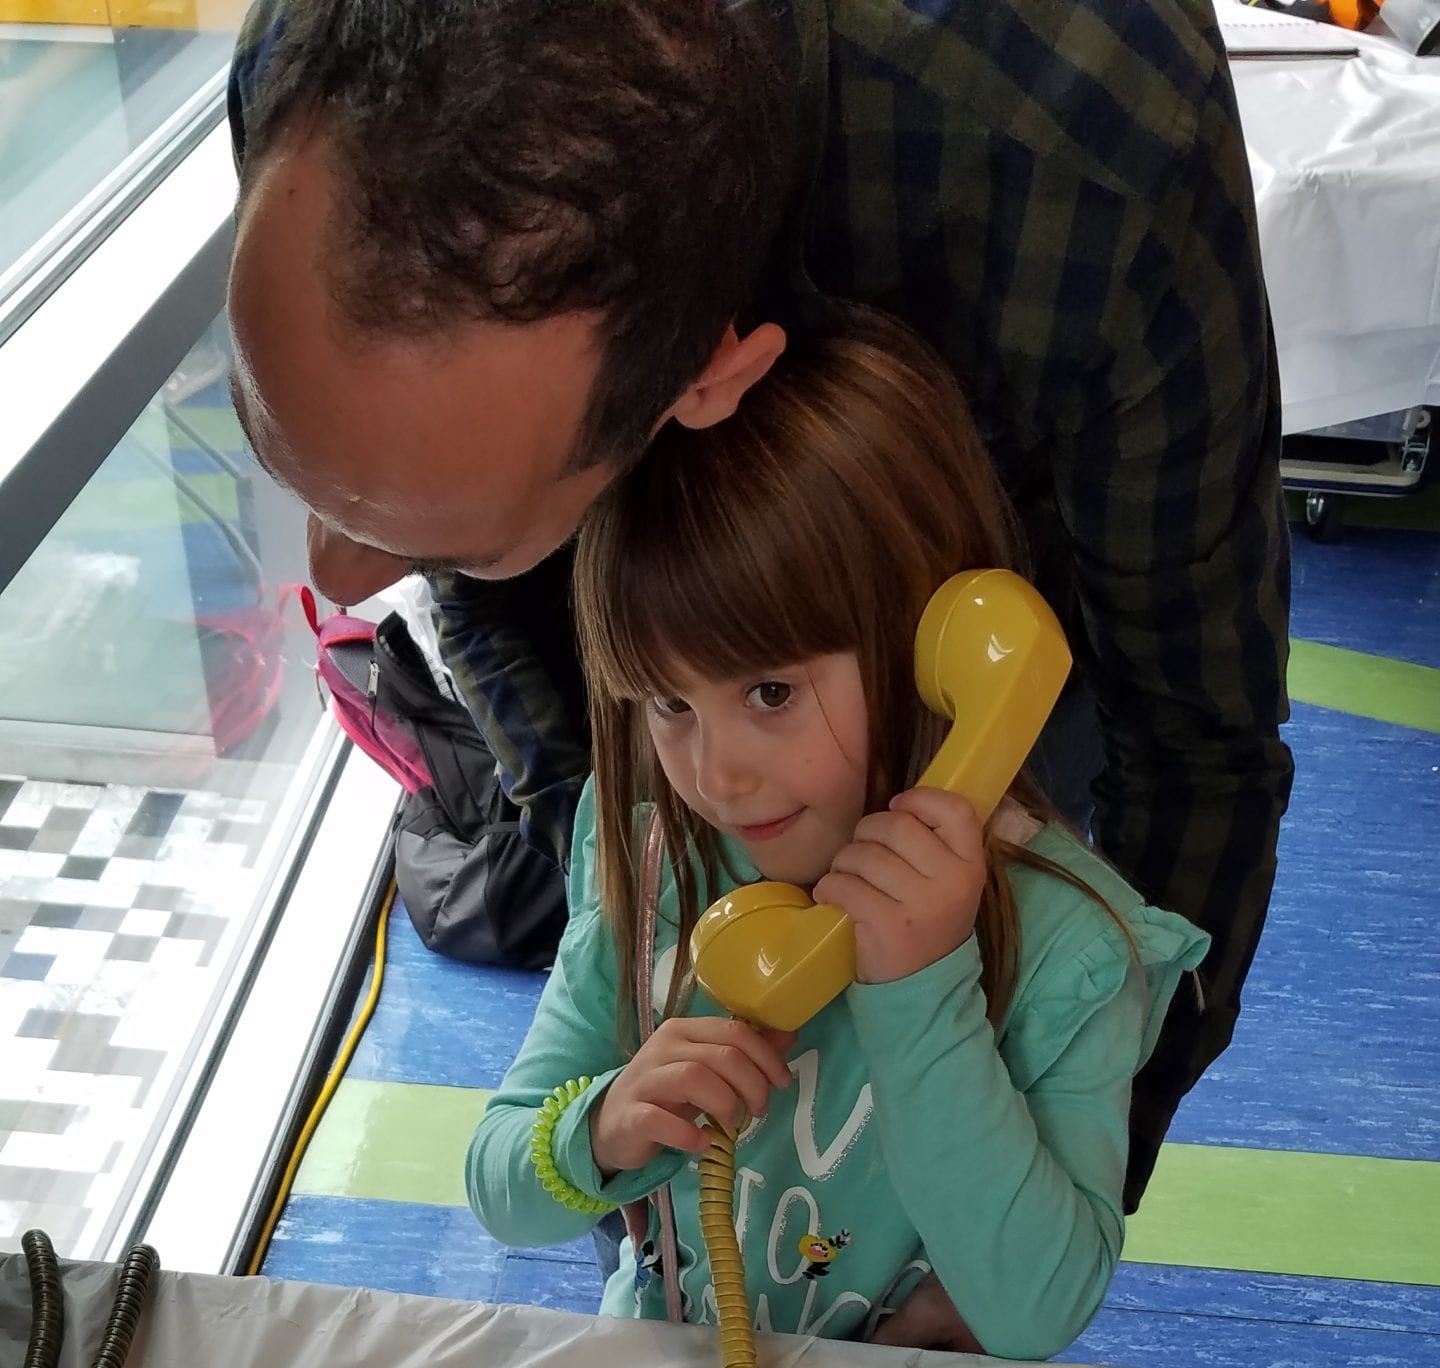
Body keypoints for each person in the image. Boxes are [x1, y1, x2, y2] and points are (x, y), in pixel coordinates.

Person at [226, 0, 1292, 1207]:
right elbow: (474, 585)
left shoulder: (1094, 149)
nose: (337, 574)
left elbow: (1198, 746)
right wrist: (619, 905)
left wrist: (1083, 1161)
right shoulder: (309, 66)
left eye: (455, 536)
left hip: (997, 625)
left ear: (705, 381)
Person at [467, 316, 1208, 1355]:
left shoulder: (1069, 951)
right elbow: (499, 1179)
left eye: (770, 690)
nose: (714, 775)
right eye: (668, 705)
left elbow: (1040, 1311)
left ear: (933, 649)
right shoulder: (653, 856)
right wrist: (603, 1124)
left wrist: (918, 990)